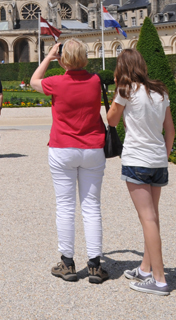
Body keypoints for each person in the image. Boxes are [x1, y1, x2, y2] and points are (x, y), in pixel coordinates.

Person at [31, 39, 108, 284]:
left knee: (65, 206)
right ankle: (94, 265)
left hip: (63, 147)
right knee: (91, 207)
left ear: (63, 59)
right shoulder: (95, 81)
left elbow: (34, 81)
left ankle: (67, 263)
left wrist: (48, 57)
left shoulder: (56, 82)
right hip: (92, 147)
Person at [108, 49, 175, 296]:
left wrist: (116, 90)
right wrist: (163, 156)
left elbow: (111, 120)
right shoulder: (160, 91)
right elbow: (170, 131)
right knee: (152, 217)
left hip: (137, 160)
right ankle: (146, 268)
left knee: (147, 218)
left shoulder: (125, 91)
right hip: (157, 161)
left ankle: (159, 280)